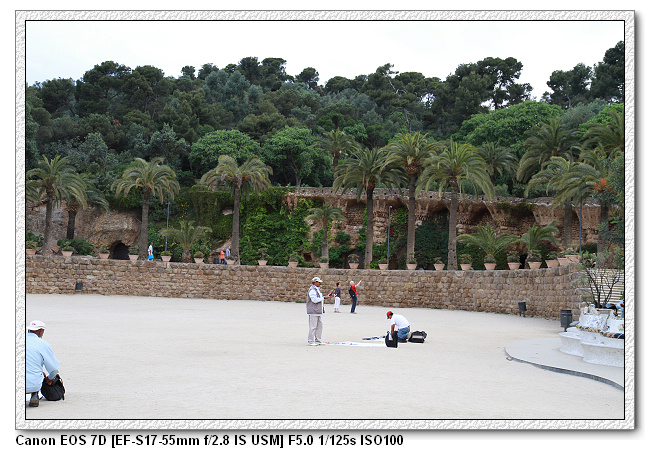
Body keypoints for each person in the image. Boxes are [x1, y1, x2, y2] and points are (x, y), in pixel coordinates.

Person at [26, 320, 60, 407]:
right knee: (36, 374)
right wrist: (50, 378)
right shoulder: (43, 344)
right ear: (41, 331)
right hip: (33, 384)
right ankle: (34, 395)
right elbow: (54, 369)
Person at [307, 276, 330, 345]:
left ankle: (318, 340)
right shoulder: (312, 290)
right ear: (315, 282)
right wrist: (323, 298)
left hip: (318, 311)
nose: (320, 283)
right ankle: (310, 341)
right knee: (313, 327)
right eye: (319, 282)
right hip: (313, 311)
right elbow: (314, 300)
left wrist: (324, 297)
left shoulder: (317, 289)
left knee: (319, 327)